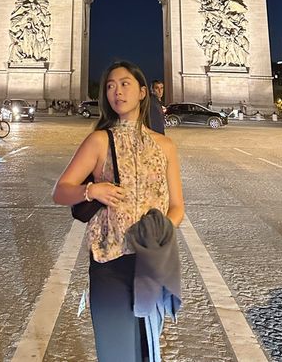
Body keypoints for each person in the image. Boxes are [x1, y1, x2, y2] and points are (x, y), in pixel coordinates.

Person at [53, 61, 184, 362]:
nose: (117, 91)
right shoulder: (99, 140)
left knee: (147, 349)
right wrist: (91, 190)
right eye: (110, 86)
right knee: (116, 353)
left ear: (142, 92)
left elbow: (177, 205)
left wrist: (161, 231)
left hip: (152, 261)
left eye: (125, 84)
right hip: (109, 261)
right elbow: (60, 190)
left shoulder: (165, 146)